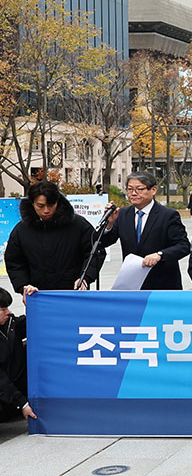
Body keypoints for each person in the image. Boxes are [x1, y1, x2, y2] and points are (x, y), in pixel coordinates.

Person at [4, 181, 98, 296]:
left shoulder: (78, 225)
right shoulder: (21, 230)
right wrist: (23, 286)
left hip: (74, 292)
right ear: (32, 203)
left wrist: (85, 278)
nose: (46, 210)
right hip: (37, 295)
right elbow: (14, 262)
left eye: (51, 205)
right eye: (40, 206)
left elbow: (95, 251)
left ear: (57, 202)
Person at [100, 171, 191, 290]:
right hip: (132, 284)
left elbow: (183, 246)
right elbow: (104, 242)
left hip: (162, 284)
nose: (133, 193)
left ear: (153, 190)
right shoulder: (122, 214)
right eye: (130, 189)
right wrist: (109, 224)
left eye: (139, 189)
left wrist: (160, 255)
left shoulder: (168, 215)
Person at [0, 288, 33, 422]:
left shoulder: (11, 324)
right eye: (3, 309)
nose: (8, 312)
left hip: (15, 393)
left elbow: (33, 323)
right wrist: (22, 403)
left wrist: (33, 302)